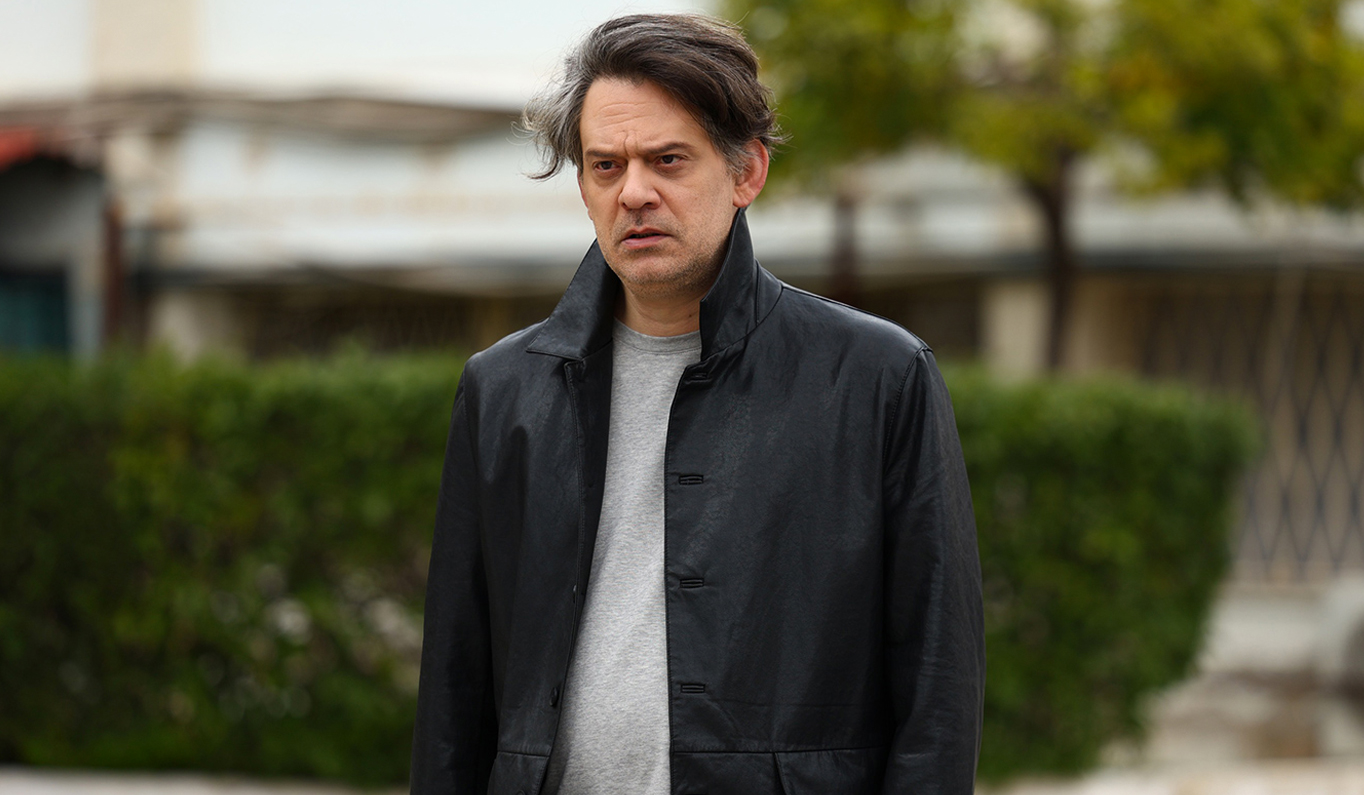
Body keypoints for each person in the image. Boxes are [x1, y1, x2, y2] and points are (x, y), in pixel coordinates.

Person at [410, 13, 983, 795]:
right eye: (605, 165)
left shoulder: (876, 376)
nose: (633, 192)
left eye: (668, 159)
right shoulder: (504, 387)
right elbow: (454, 680)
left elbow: (937, 678)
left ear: (746, 172)